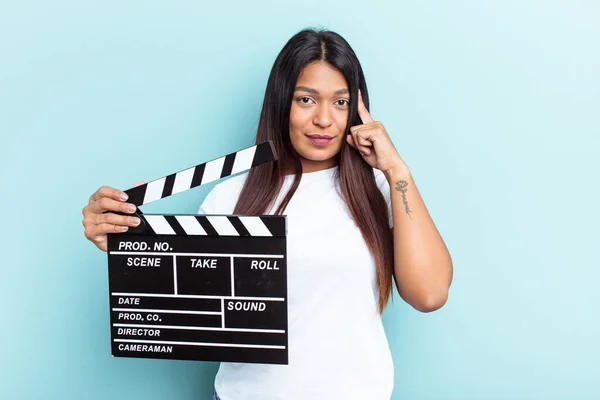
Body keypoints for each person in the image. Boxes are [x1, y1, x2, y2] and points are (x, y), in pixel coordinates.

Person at [82, 28, 453, 400]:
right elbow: (188, 305)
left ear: (357, 110)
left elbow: (429, 294)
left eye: (340, 103)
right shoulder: (229, 198)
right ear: (281, 104)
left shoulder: (379, 191)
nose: (324, 119)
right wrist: (125, 241)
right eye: (306, 99)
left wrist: (398, 171)